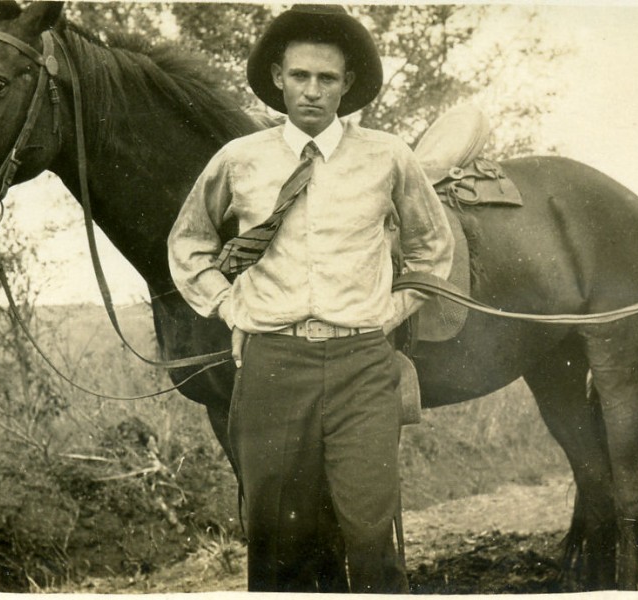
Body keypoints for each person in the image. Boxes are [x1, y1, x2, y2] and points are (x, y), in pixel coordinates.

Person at [168, 4, 453, 593]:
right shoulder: (240, 159)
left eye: (328, 79)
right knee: (276, 540)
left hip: (362, 366)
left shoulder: (387, 156)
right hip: (274, 368)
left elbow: (431, 251)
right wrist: (227, 305)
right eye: (301, 76)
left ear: (347, 85)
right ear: (278, 77)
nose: (313, 92)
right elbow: (190, 242)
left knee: (372, 534)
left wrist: (387, 313)